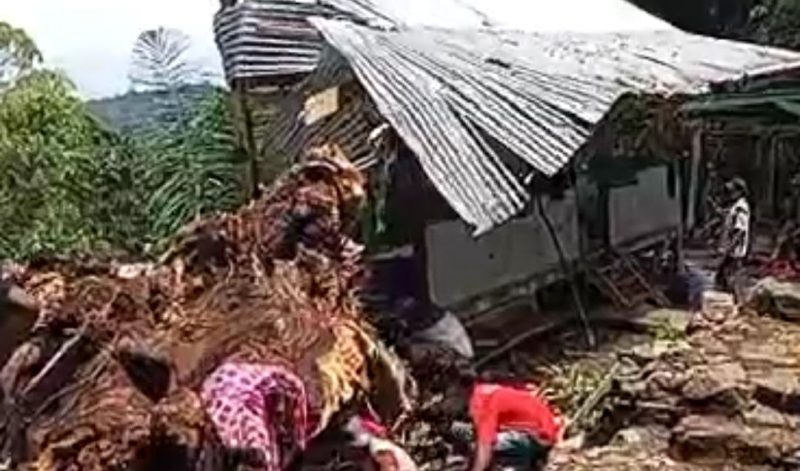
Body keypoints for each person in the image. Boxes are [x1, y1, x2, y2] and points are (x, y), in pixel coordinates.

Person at [459, 370, 566, 471]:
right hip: (542, 432)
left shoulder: (483, 402)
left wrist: (476, 468)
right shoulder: (496, 392)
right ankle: (521, 462)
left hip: (535, 436)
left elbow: (485, 444)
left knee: (480, 446)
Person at [716, 178, 750, 300]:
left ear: (740, 192)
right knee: (726, 277)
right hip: (732, 249)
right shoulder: (736, 206)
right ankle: (733, 301)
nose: (730, 194)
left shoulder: (741, 208)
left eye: (732, 191)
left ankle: (736, 302)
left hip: (735, 251)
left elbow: (740, 231)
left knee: (728, 277)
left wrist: (729, 248)